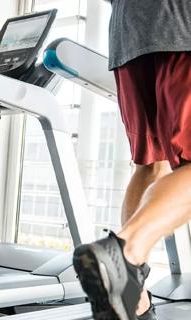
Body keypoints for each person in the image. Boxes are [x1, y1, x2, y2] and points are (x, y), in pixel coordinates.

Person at [73, 1, 191, 319]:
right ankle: (124, 252)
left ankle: (133, 296)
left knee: (151, 164)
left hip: (130, 34)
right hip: (183, 26)